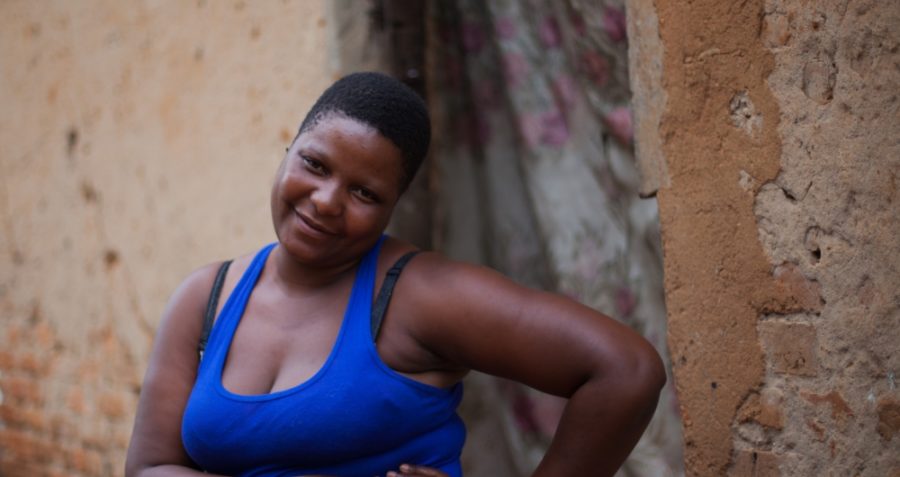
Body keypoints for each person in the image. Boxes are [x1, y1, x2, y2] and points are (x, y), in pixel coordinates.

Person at [125, 72, 665, 477]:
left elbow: (626, 371)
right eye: (315, 164)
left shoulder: (417, 297)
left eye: (364, 192)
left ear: (393, 207)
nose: (326, 201)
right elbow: (149, 467)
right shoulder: (208, 297)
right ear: (288, 152)